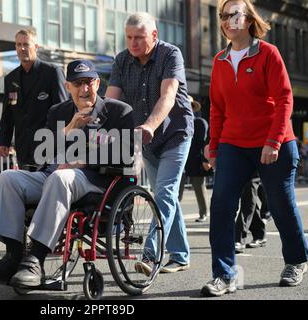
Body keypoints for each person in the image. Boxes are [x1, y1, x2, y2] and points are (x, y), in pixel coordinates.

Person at [0, 59, 135, 286]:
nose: (84, 89)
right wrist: (70, 128)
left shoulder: (119, 111)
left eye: (88, 82)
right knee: (8, 178)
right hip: (53, 175)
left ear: (98, 83)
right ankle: (13, 256)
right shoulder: (57, 111)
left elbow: (126, 154)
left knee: (61, 178)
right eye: (77, 84)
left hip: (95, 181)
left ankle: (34, 260)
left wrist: (83, 161)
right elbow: (43, 153)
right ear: (68, 86)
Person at [201, 0, 308, 297]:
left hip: (274, 143)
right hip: (234, 144)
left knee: (279, 203)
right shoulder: (220, 61)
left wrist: (274, 141)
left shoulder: (268, 54)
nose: (226, 21)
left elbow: (285, 99)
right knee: (222, 206)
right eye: (223, 16)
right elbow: (217, 110)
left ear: (248, 20)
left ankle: (297, 260)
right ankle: (224, 275)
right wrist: (213, 147)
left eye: (233, 15)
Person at [106, 12, 194, 275]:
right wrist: (96, 127)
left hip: (174, 133)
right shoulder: (122, 60)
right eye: (129, 37)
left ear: (154, 36)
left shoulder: (170, 54)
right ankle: (180, 255)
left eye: (139, 38)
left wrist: (149, 126)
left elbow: (168, 96)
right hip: (146, 140)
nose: (133, 43)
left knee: (164, 194)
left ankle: (150, 253)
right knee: (166, 198)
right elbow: (111, 101)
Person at [0, 28, 68, 169]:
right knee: (26, 188)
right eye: (18, 45)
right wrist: (3, 141)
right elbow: (8, 113)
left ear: (36, 47)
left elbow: (63, 110)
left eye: (26, 44)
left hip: (49, 147)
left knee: (47, 188)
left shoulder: (52, 72)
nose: (22, 48)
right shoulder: (10, 79)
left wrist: (61, 145)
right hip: (24, 149)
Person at [179, 96, 212, 223]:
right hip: (181, 162)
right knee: (177, 193)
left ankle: (203, 213)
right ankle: (175, 216)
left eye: (189, 105)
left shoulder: (200, 123)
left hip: (197, 161)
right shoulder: (178, 123)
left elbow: (204, 143)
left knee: (199, 187)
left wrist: (206, 160)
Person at [234, 173, 269, 253]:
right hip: (237, 163)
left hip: (254, 163)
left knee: (248, 194)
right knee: (248, 195)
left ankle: (239, 239)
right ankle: (259, 234)